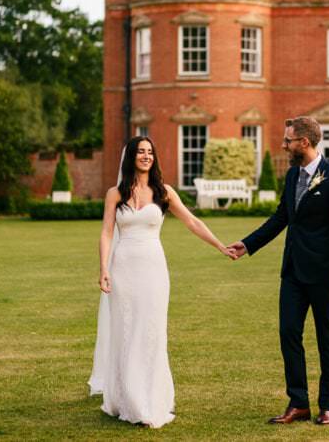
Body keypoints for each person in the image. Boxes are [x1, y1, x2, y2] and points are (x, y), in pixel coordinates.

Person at [88, 136, 233, 428]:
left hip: (153, 269)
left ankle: (148, 397)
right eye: (140, 152)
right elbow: (106, 233)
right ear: (130, 157)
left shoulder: (164, 192)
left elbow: (192, 221)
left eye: (150, 152)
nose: (146, 156)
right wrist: (104, 268)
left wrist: (220, 245)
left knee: (151, 330)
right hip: (123, 268)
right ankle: (126, 397)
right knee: (126, 329)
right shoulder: (114, 194)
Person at [227, 116, 329, 426]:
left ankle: (327, 405)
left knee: (328, 338)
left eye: (288, 141)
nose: (283, 145)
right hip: (293, 273)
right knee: (288, 333)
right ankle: (298, 403)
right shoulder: (291, 176)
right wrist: (248, 245)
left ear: (305, 142)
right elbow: (280, 218)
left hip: (326, 275)